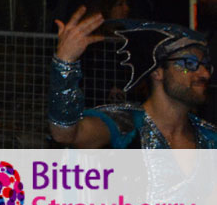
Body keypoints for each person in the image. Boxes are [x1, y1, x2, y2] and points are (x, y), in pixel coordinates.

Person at [50, 10, 216, 149]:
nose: (205, 74)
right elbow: (64, 134)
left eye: (207, 66)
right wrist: (65, 64)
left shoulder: (209, 138)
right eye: (190, 63)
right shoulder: (126, 125)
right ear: (157, 72)